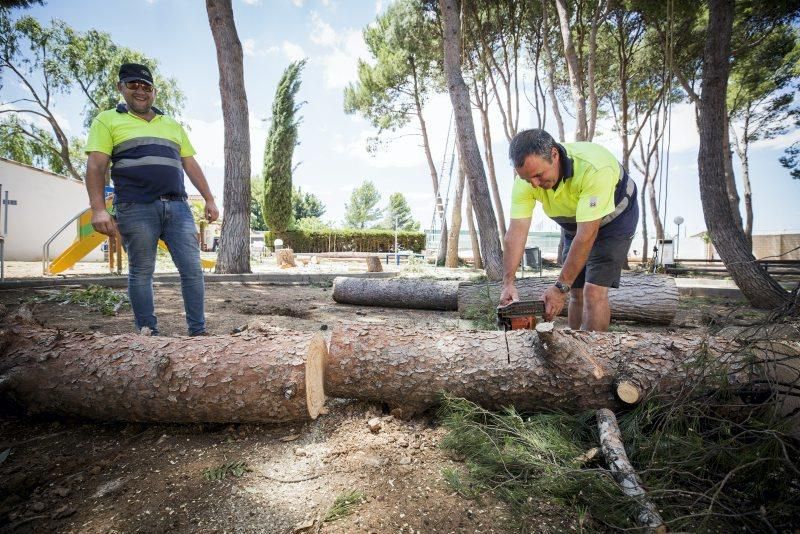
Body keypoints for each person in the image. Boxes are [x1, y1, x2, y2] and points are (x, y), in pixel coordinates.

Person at [84, 62, 219, 336]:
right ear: (121, 88)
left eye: (146, 86)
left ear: (154, 92)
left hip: (178, 207)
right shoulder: (107, 120)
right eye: (133, 85)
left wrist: (209, 199)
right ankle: (148, 334)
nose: (140, 91)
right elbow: (96, 166)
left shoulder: (171, 124)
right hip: (135, 207)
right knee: (142, 271)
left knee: (193, 270)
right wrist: (98, 209)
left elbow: (190, 165)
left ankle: (198, 332)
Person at [499, 129, 639, 331]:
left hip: (615, 220)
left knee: (593, 292)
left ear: (554, 155)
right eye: (528, 179)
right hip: (575, 221)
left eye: (539, 175)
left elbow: (587, 235)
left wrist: (559, 288)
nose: (534, 184)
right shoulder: (526, 181)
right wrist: (508, 283)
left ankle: (592, 355)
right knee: (576, 291)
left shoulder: (594, 168)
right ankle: (574, 348)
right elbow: (516, 232)